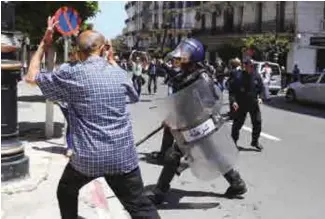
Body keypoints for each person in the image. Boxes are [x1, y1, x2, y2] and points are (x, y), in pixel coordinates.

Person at [24, 16, 160, 219]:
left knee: (66, 190)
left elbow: (30, 77)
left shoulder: (70, 73)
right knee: (140, 208)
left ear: (77, 52)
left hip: (87, 159)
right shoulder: (119, 73)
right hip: (121, 157)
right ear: (104, 49)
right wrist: (112, 61)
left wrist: (45, 42)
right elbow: (133, 96)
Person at [146, 38, 247, 205]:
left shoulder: (203, 76)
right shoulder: (189, 72)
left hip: (197, 124)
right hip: (188, 123)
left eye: (185, 56)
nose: (181, 58)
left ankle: (159, 192)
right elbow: (178, 81)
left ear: (194, 57)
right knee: (211, 154)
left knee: (174, 156)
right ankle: (237, 183)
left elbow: (211, 99)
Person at [229, 58, 264, 151]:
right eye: (249, 66)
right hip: (241, 104)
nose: (251, 68)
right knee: (237, 124)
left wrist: (260, 97)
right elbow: (232, 91)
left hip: (253, 104)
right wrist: (234, 101)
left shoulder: (256, 76)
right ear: (245, 66)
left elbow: (261, 88)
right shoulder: (238, 76)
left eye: (253, 66)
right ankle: (233, 142)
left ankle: (255, 141)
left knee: (257, 122)